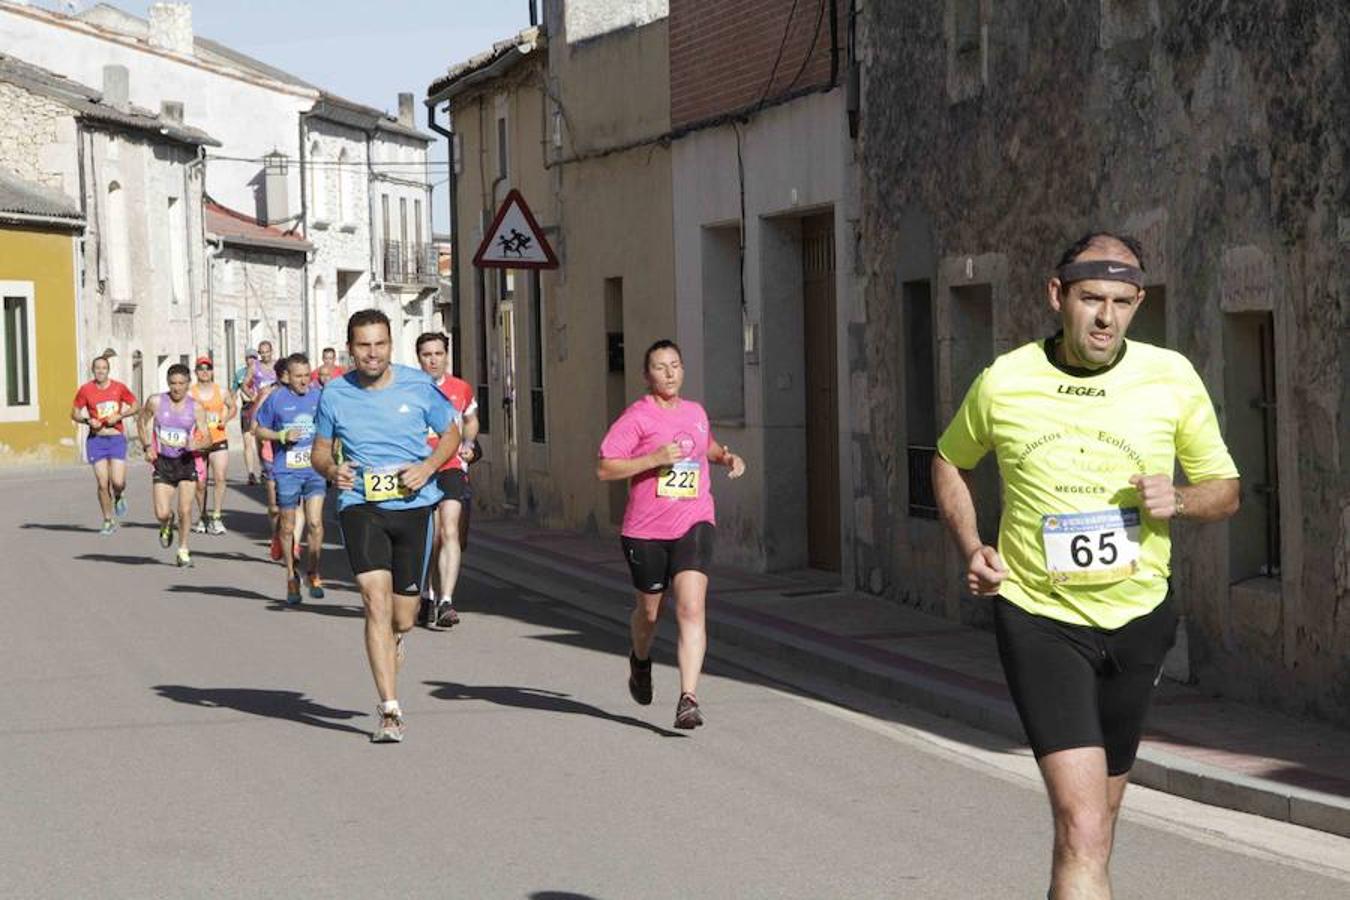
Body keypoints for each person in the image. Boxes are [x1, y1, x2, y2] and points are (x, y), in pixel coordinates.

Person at [931, 232, 1240, 900]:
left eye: (1122, 302)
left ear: (1139, 303)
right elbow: (950, 459)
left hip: (1139, 618)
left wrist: (1181, 499)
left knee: (1098, 823)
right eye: (1092, 298)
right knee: (1082, 824)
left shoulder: (1170, 377)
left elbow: (1227, 490)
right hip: (1040, 618)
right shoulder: (1006, 380)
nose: (1106, 317)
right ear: (1057, 295)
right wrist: (973, 547)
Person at [311, 309, 460, 743]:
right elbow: (320, 451)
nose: (372, 353)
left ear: (391, 345)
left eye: (379, 344)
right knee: (373, 600)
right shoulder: (335, 393)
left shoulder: (418, 385)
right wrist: (331, 470)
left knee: (404, 617)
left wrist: (428, 467)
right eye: (363, 345)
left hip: (414, 506)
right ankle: (390, 710)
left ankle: (396, 637)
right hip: (361, 505)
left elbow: (451, 434)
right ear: (350, 348)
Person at [597, 340, 745, 729]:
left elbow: (704, 444)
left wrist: (725, 456)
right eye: (660, 367)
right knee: (649, 613)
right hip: (646, 530)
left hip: (694, 520)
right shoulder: (636, 417)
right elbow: (605, 468)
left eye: (675, 365)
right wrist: (654, 459)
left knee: (691, 608)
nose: (669, 373)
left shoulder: (695, 411)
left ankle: (688, 698)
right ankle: (640, 659)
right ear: (647, 375)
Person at [415, 332, 480, 629]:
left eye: (438, 354)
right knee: (432, 536)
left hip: (452, 466)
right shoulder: (411, 390)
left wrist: (468, 443)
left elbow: (470, 420)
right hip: (421, 469)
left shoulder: (460, 388)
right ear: (419, 358)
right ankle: (426, 595)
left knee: (450, 530)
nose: (433, 360)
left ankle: (446, 601)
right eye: (427, 354)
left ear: (446, 356)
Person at [254, 353, 327, 605]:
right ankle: (290, 575)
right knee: (287, 526)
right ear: (288, 376)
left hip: (314, 468)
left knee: (315, 523)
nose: (304, 381)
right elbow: (259, 430)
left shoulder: (319, 396)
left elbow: (332, 426)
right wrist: (281, 436)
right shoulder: (276, 399)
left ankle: (313, 572)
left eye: (307, 375)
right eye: (299, 377)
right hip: (286, 470)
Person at [137, 363, 211, 566]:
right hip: (163, 462)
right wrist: (146, 446)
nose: (177, 388)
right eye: (173, 383)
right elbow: (141, 421)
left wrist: (197, 444)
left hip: (186, 462)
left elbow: (208, 438)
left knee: (184, 510)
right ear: (168, 383)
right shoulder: (155, 401)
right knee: (161, 513)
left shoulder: (196, 407)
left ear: (188, 384)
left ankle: (183, 549)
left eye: (181, 383)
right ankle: (166, 522)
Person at [71, 355, 138, 533]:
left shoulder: (118, 388)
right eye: (97, 368)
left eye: (104, 368)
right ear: (93, 370)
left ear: (108, 370)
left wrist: (120, 416)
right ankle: (108, 520)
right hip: (96, 440)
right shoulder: (86, 390)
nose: (100, 371)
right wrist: (87, 420)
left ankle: (119, 494)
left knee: (117, 481)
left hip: (116, 439)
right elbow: (74, 413)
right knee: (102, 483)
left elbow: (135, 405)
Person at [189, 356, 236, 535]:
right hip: (199, 442)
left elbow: (233, 407)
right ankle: (203, 516)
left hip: (218, 439)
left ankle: (216, 516)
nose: (204, 372)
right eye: (201, 369)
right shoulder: (190, 393)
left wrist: (225, 419)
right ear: (196, 372)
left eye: (207, 368)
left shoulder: (221, 391)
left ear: (212, 371)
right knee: (200, 483)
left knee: (220, 477)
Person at [235, 348, 261, 485]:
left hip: (261, 407)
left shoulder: (261, 371)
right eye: (248, 358)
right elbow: (234, 390)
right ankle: (250, 473)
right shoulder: (240, 373)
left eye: (253, 358)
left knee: (262, 441)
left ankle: (264, 469)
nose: (251, 360)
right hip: (247, 408)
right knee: (247, 441)